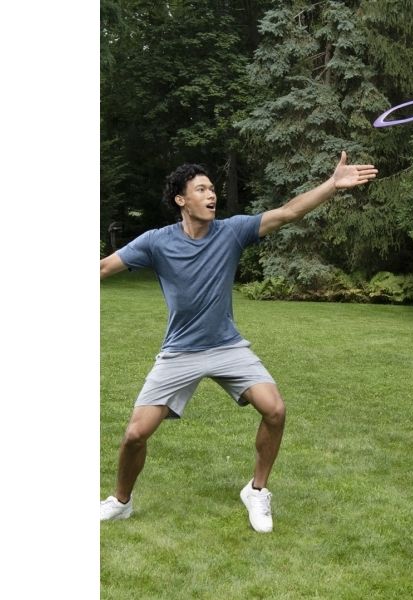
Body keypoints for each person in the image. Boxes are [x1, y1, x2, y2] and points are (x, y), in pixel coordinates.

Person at [100, 151, 378, 532]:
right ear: (181, 200)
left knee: (275, 409)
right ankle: (121, 501)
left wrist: (332, 184)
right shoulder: (156, 242)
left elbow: (288, 213)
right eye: (201, 189)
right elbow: (103, 267)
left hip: (227, 347)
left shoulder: (231, 231)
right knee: (136, 433)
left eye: (212, 189)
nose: (211, 195)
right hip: (180, 351)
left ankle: (257, 490)